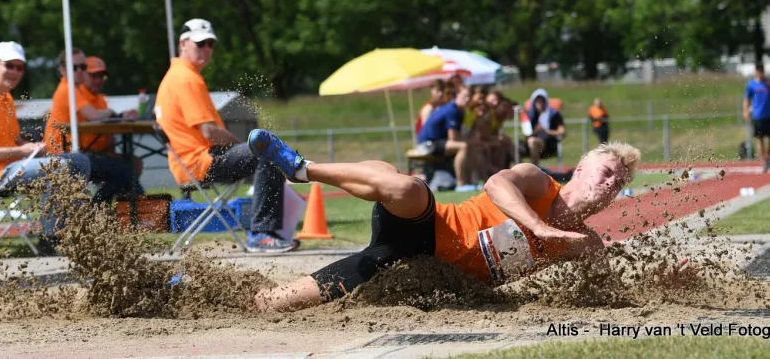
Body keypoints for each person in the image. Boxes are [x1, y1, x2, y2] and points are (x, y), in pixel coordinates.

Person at [245, 129, 643, 312]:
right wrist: (537, 227)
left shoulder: (584, 242)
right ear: (580, 167)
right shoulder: (539, 183)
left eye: (619, 183)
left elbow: (610, 291)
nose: (610, 184)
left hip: (411, 263)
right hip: (426, 222)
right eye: (606, 172)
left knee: (274, 304)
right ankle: (303, 169)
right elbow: (495, 183)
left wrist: (675, 279)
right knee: (409, 188)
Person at [155, 18, 295, 253]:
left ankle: (269, 233)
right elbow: (210, 133)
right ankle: (262, 234)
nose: (206, 49)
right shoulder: (186, 78)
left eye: (210, 43)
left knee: (266, 150)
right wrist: (246, 145)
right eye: (200, 43)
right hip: (200, 162)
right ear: (183, 44)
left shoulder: (177, 75)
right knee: (268, 151)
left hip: (192, 162)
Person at [0, 42, 94, 254]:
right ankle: (51, 238)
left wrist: (33, 148)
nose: (15, 72)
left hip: (15, 166)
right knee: (59, 167)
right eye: (9, 65)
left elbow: (15, 140)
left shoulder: (5, 97)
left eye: (19, 67)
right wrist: (23, 151)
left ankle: (72, 229)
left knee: (79, 161)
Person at [42, 48, 142, 204]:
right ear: (63, 70)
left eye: (83, 67)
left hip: (77, 153)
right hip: (64, 155)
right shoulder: (69, 89)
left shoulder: (75, 89)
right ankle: (140, 209)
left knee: (126, 168)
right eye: (75, 67)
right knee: (123, 170)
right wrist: (111, 112)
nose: (80, 71)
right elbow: (94, 115)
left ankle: (110, 212)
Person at [83, 56, 144, 178]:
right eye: (94, 76)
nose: (99, 80)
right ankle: (135, 196)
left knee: (134, 163)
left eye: (101, 76)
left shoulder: (101, 99)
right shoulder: (78, 97)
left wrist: (122, 116)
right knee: (124, 169)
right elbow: (95, 118)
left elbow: (107, 125)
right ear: (84, 75)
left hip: (102, 153)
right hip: (84, 154)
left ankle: (120, 197)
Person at [416, 85, 474, 190]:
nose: (468, 99)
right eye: (465, 96)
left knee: (470, 146)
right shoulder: (452, 110)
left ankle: (469, 182)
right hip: (427, 144)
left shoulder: (460, 110)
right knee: (464, 146)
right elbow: (453, 138)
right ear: (457, 95)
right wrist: (469, 141)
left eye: (470, 97)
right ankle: (461, 184)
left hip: (437, 142)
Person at [525, 89, 565, 166]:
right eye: (537, 101)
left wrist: (545, 131)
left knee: (532, 141)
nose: (539, 103)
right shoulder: (530, 115)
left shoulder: (554, 114)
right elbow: (526, 133)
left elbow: (562, 132)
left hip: (548, 144)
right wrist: (534, 132)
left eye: (541, 101)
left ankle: (534, 169)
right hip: (530, 144)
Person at [743, 64, 770, 173]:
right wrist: (745, 110)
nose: (760, 73)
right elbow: (746, 99)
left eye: (761, 70)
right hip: (758, 116)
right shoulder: (751, 84)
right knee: (760, 139)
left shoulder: (768, 83)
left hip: (768, 115)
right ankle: (764, 161)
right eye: (758, 71)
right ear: (756, 72)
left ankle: (767, 157)